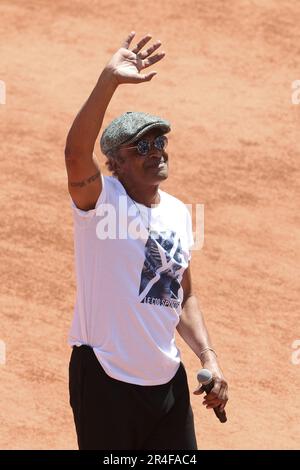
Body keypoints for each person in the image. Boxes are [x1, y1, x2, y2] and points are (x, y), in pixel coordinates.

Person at [65, 31, 228, 451]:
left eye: (160, 142)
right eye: (142, 147)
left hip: (166, 382)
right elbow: (74, 154)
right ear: (114, 163)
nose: (156, 151)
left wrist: (208, 356)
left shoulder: (176, 212)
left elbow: (182, 294)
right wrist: (108, 81)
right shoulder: (101, 202)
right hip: (106, 377)